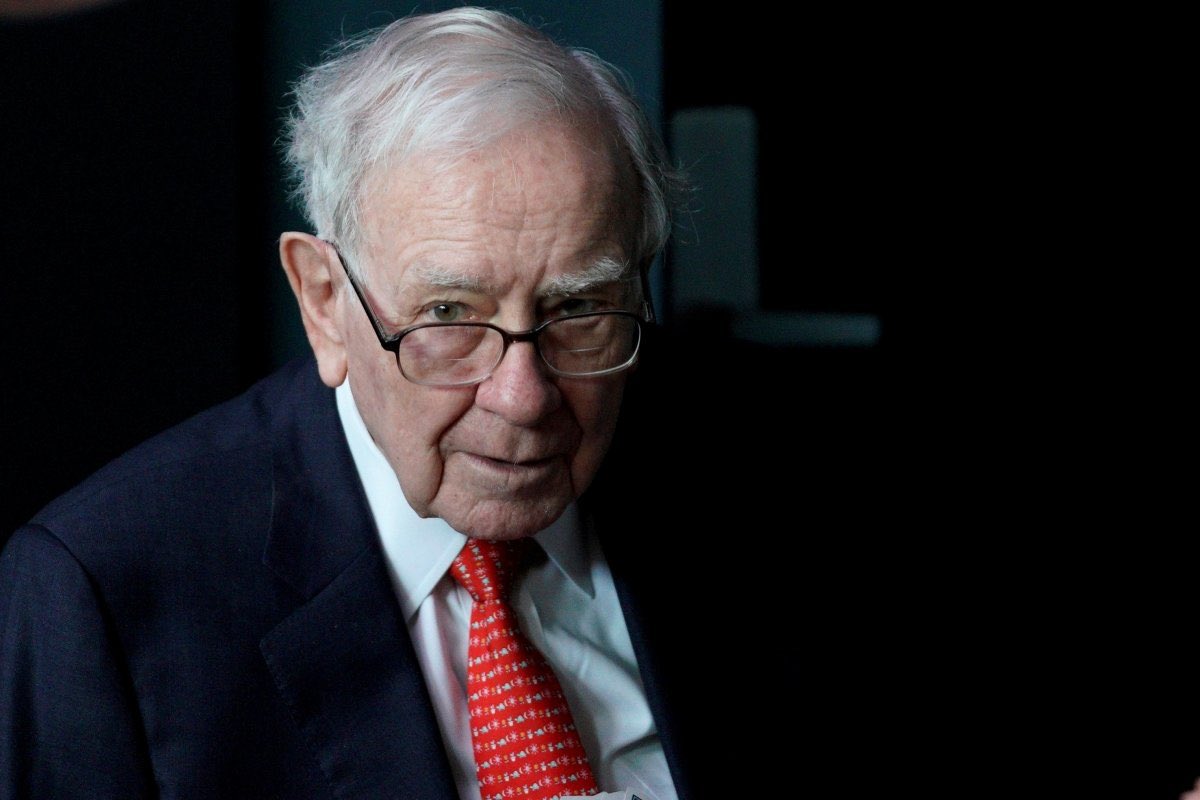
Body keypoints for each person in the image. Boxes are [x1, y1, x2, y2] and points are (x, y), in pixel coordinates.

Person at [0, 7, 767, 799]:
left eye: (578, 309)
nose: (522, 397)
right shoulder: (104, 591)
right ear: (323, 302)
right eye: (449, 315)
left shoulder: (761, 483)